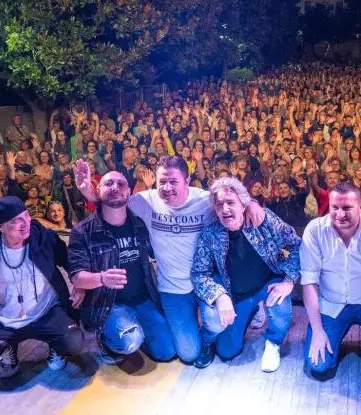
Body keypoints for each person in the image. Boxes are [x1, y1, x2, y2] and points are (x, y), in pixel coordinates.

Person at [74, 155, 264, 366]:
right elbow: (113, 201)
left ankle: (209, 339)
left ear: (187, 180)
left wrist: (252, 205)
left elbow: (234, 199)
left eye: (173, 181)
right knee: (187, 354)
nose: (166, 187)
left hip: (206, 281)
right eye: (161, 181)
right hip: (173, 288)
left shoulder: (204, 200)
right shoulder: (145, 201)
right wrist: (87, 192)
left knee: (217, 323)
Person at [0, 196, 85, 386]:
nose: (24, 224)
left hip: (46, 312)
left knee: (74, 343)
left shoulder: (43, 237)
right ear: (0, 227)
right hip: (3, 320)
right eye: (15, 221)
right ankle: (7, 349)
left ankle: (55, 346)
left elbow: (71, 261)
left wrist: (79, 283)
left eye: (26, 216)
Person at [300, 182, 361, 394]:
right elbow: (309, 282)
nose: (339, 214)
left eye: (347, 208)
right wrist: (318, 330)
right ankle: (329, 341)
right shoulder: (315, 230)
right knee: (318, 366)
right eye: (335, 207)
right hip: (331, 302)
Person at [191, 177, 301, 372]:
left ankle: (273, 343)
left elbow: (296, 245)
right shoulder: (210, 233)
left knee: (281, 307)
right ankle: (249, 313)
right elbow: (199, 273)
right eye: (219, 205)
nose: (225, 209)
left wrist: (290, 280)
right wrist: (219, 296)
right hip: (236, 293)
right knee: (227, 351)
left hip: (268, 283)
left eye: (230, 203)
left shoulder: (263, 219)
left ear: (244, 204)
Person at [67, 171, 176, 365]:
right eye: (109, 184)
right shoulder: (83, 230)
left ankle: (134, 327)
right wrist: (101, 278)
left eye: (121, 184)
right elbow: (77, 277)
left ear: (128, 193)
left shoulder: (139, 224)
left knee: (166, 352)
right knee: (129, 342)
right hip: (109, 303)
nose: (115, 188)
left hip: (143, 299)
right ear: (98, 191)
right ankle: (104, 339)